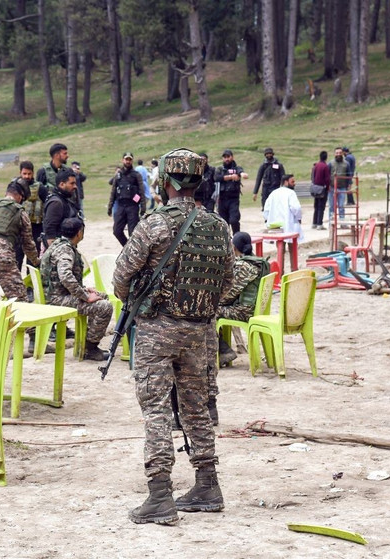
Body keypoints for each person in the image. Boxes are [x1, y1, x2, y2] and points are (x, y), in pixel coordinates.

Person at [114, 148, 234, 526]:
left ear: (165, 181)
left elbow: (120, 278)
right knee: (196, 409)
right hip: (200, 331)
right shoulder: (219, 226)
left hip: (156, 330)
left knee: (156, 411)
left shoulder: (154, 224)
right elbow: (228, 284)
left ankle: (160, 494)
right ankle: (207, 485)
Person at [41, 217, 111, 361]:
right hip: (58, 300)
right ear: (79, 233)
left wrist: (84, 290)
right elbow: (65, 276)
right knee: (104, 307)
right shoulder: (65, 250)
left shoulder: (57, 245)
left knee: (101, 296)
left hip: (58, 294)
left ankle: (88, 341)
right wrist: (85, 296)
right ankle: (90, 348)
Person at [0, 178, 38, 303]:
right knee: (19, 298)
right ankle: (22, 322)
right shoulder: (20, 213)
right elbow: (28, 244)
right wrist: (36, 261)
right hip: (1, 255)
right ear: (21, 197)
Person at [215, 232, 270, 369]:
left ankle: (223, 352)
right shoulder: (260, 263)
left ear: (234, 247)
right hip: (256, 309)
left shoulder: (244, 266)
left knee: (208, 312)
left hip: (244, 311)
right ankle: (223, 351)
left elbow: (230, 293)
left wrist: (213, 300)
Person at [107, 152, 146, 246]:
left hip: (132, 207)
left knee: (132, 233)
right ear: (123, 160)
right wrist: (110, 207)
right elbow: (113, 192)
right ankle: (127, 248)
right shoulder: (118, 175)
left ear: (132, 161)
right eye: (126, 159)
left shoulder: (136, 175)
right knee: (117, 231)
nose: (128, 161)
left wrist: (142, 208)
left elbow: (141, 192)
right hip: (120, 206)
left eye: (130, 159)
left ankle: (133, 253)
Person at [42, 169, 80, 246]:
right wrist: (55, 253)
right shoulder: (56, 203)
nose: (75, 186)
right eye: (72, 183)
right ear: (62, 184)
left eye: (75, 183)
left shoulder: (65, 199)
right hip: (58, 251)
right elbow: (50, 231)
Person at [17, 161, 45, 264]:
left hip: (35, 228)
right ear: (20, 172)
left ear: (33, 173)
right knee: (17, 259)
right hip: (18, 229)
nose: (27, 176)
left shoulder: (40, 188)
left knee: (33, 261)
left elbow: (47, 204)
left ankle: (32, 280)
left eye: (29, 174)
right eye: (24, 173)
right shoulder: (15, 186)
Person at [263, 174, 303, 246]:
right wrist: (299, 218)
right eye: (292, 182)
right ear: (285, 182)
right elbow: (296, 208)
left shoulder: (273, 193)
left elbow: (266, 209)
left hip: (276, 224)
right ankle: (292, 257)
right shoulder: (291, 193)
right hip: (288, 224)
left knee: (280, 245)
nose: (294, 184)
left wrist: (267, 220)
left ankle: (281, 257)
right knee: (292, 244)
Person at [214, 149, 245, 233]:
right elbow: (216, 178)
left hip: (233, 200)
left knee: (234, 220)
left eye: (228, 157)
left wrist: (242, 174)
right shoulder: (220, 169)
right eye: (225, 157)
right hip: (222, 200)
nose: (226, 159)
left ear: (232, 157)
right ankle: (226, 242)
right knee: (224, 223)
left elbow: (241, 172)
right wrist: (230, 177)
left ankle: (237, 238)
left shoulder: (237, 168)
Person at [330, 148, 351, 221]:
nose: (338, 154)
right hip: (332, 188)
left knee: (341, 206)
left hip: (342, 188)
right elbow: (327, 175)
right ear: (334, 154)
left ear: (342, 153)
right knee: (332, 206)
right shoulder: (330, 163)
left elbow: (349, 175)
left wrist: (349, 185)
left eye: (340, 153)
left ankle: (342, 222)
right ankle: (331, 222)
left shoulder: (346, 164)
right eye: (337, 153)